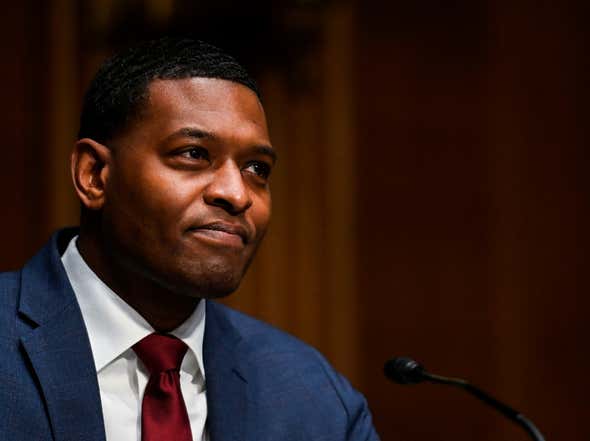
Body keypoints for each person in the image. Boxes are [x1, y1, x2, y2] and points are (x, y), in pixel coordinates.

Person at [0, 37, 379, 441]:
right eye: (194, 154)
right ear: (94, 175)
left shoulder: (315, 400)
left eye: (257, 168)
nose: (237, 194)